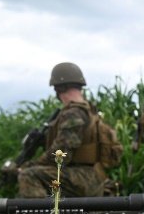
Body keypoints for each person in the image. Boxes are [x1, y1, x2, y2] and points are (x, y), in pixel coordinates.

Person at [18, 62, 122, 198]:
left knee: (29, 175)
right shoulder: (89, 110)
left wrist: (26, 166)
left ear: (59, 88)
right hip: (93, 176)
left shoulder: (73, 113)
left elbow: (61, 154)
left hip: (83, 177)